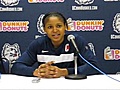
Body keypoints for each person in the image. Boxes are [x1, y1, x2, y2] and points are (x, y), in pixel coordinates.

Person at [11, 12, 98, 78]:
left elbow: (94, 66)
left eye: (59, 26)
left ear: (66, 27)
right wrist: (36, 71)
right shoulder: (38, 44)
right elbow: (16, 67)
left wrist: (65, 72)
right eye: (50, 27)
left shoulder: (75, 41)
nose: (55, 30)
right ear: (44, 29)